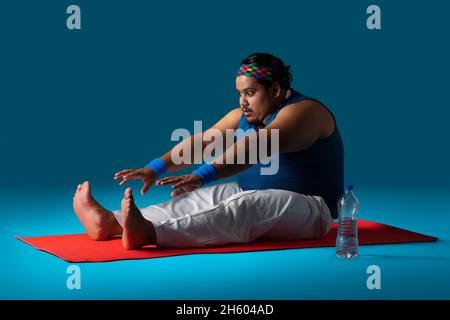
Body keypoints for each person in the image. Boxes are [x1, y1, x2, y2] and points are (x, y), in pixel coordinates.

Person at [72, 53, 344, 249]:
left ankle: (150, 233)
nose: (242, 102)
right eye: (239, 93)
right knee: (197, 200)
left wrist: (202, 174)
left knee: (243, 207)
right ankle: (111, 223)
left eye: (250, 93)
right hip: (251, 191)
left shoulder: (305, 112)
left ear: (275, 89)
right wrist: (156, 168)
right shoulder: (244, 113)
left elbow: (256, 146)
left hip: (312, 210)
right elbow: (203, 142)